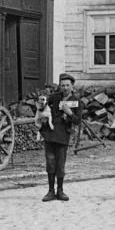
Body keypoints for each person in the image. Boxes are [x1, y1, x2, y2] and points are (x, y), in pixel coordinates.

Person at [38, 72, 79, 201]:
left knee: (60, 164)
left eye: (67, 85)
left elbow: (78, 120)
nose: (65, 88)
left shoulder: (76, 101)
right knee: (50, 163)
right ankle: (51, 191)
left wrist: (70, 113)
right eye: (62, 85)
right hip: (50, 134)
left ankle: (60, 191)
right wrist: (41, 109)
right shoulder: (55, 97)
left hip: (62, 136)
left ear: (72, 86)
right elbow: (41, 104)